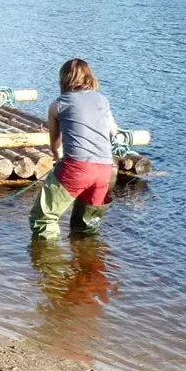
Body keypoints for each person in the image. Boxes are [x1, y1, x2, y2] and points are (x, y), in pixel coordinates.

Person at [30, 58, 119, 239]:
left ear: (64, 79)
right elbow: (113, 130)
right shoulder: (103, 100)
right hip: (105, 170)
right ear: (89, 77)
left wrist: (58, 158)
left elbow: (55, 142)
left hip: (77, 167)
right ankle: (89, 262)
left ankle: (50, 264)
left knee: (43, 218)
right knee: (87, 226)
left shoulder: (58, 105)